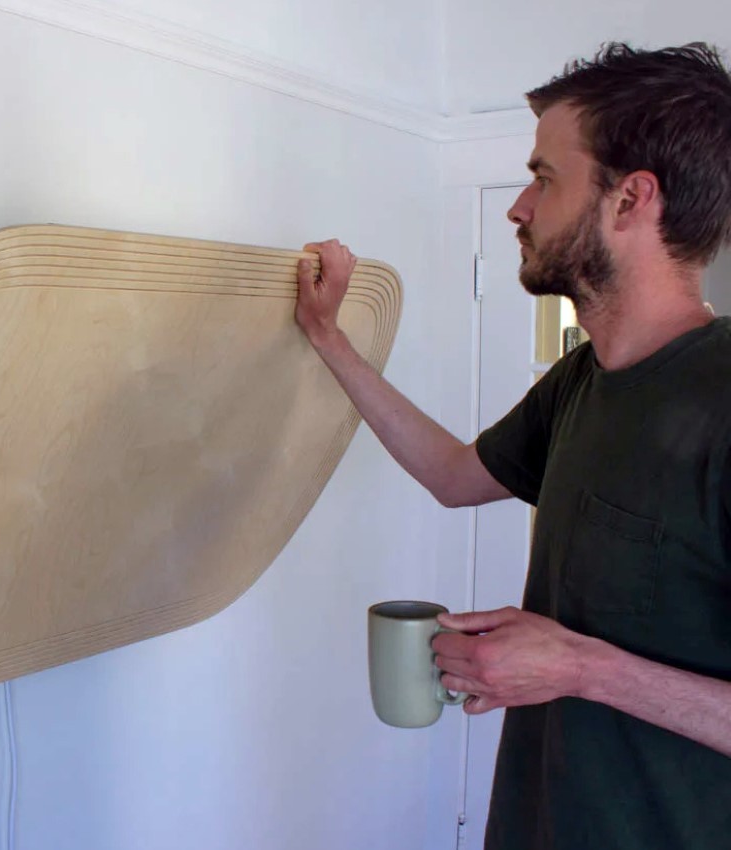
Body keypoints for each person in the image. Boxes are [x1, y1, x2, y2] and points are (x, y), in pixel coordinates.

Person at [295, 43, 731, 850]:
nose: (519, 207)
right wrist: (330, 341)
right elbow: (453, 476)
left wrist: (583, 668)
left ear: (631, 199)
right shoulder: (581, 380)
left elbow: (585, 664)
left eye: (545, 178)